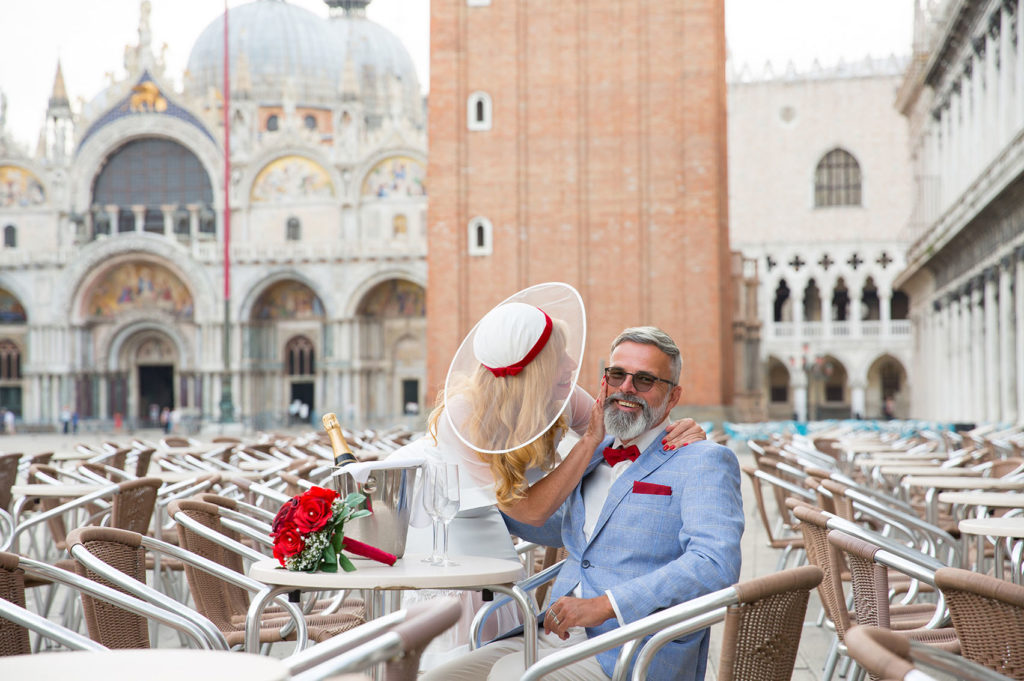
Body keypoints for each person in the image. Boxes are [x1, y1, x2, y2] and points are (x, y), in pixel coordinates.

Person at [423, 326, 744, 681]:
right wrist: (478, 494)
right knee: (440, 677)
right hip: (551, 633)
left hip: (633, 648)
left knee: (507, 676)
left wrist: (606, 605)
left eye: (644, 380)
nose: (626, 388)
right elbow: (552, 523)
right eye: (617, 374)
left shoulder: (702, 460)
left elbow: (715, 564)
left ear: (672, 396)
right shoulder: (593, 453)